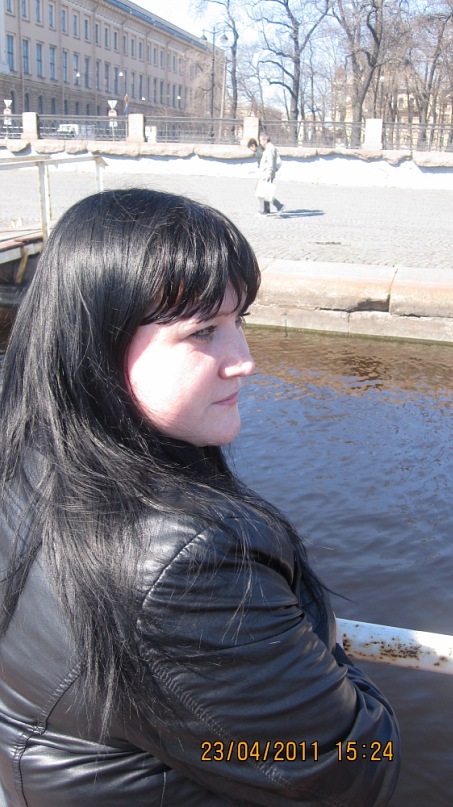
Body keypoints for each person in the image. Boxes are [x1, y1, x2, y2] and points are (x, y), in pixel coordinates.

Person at [0, 189, 400, 806]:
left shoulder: (24, 461)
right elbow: (353, 768)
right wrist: (326, 651)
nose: (244, 361)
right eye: (204, 331)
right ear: (97, 345)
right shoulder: (186, 566)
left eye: (240, 322)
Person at [254, 133, 285, 215]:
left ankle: (278, 206)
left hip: (266, 174)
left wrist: (269, 173)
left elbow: (271, 162)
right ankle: (266, 210)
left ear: (265, 140)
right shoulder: (269, 148)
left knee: (263, 193)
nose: (260, 142)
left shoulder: (270, 149)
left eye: (261, 140)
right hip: (265, 174)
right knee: (263, 192)